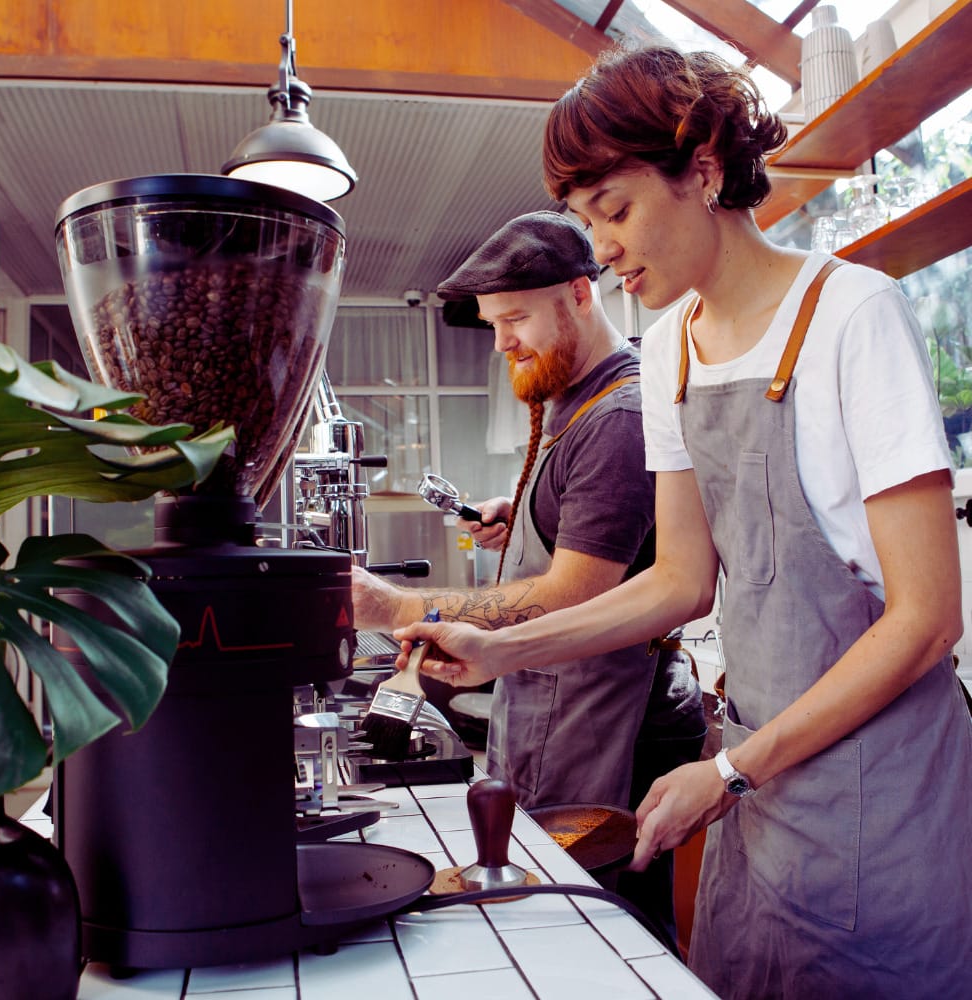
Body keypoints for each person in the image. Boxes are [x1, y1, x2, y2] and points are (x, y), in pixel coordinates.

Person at [392, 44, 972, 1000]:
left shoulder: (852, 315)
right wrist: (504, 651)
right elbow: (677, 584)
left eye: (615, 212)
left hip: (883, 783)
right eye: (587, 222)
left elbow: (927, 618)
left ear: (702, 171)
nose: (604, 247)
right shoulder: (668, 355)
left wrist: (735, 770)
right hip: (761, 777)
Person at [352, 210, 705, 946]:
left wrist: (398, 604)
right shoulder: (576, 399)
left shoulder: (619, 415)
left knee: (610, 934)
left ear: (580, 293)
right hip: (557, 708)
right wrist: (525, 519)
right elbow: (599, 540)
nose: (503, 340)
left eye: (514, 318)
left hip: (613, 721)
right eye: (491, 323)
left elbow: (575, 591)